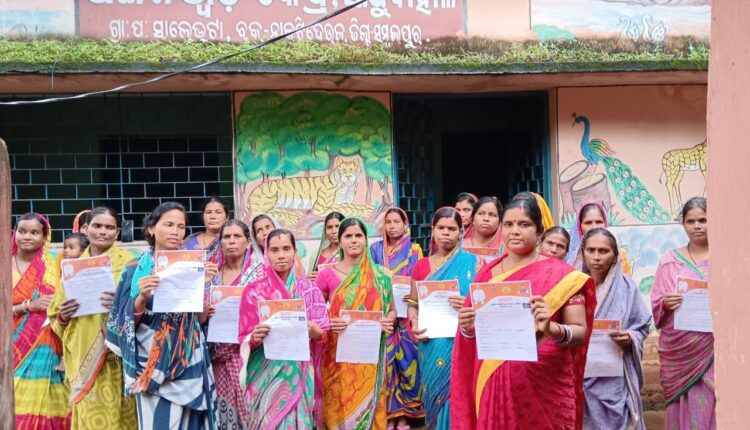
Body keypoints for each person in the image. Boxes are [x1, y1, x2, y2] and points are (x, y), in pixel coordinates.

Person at [451, 198, 596, 430]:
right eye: (508, 224)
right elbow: (472, 337)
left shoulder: (563, 276)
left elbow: (579, 331)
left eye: (524, 224)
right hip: (492, 381)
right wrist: (467, 329)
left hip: (543, 387)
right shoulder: (486, 275)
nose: (515, 231)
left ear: (539, 232)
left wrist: (551, 328)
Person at [105, 202, 217, 429]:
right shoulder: (135, 268)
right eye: (169, 224)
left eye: (181, 226)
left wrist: (203, 286)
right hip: (151, 364)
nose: (176, 231)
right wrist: (142, 297)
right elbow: (125, 322)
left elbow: (200, 319)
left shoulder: (192, 265)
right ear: (151, 229)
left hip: (189, 359)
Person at [49, 207, 138, 429]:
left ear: (117, 232)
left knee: (123, 417)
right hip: (84, 358)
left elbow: (143, 307)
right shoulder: (72, 267)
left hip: (118, 359)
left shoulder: (130, 265)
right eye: (97, 226)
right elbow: (55, 313)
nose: (103, 232)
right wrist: (63, 315)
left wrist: (122, 303)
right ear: (86, 229)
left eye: (109, 227)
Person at [238, 229, 330, 429]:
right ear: (266, 253)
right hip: (265, 374)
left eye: (286, 249)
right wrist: (255, 337)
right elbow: (244, 338)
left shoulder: (309, 289)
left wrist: (314, 331)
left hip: (299, 373)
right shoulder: (253, 292)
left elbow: (323, 334)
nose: (281, 255)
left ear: (294, 251)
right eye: (275, 250)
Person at [316, 218, 396, 429]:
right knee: (340, 401)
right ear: (339, 241)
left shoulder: (381, 275)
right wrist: (329, 322)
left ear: (366, 240)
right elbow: (314, 313)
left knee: (372, 401)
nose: (354, 240)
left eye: (358, 235)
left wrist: (389, 320)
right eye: (348, 236)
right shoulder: (326, 274)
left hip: (370, 354)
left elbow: (392, 310)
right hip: (337, 355)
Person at [408, 207, 478, 430]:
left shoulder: (473, 263)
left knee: (459, 395)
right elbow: (412, 304)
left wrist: (467, 303)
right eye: (441, 228)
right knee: (433, 396)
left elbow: (482, 302)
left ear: (461, 232)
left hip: (462, 341)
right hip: (430, 341)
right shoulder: (420, 266)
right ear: (433, 230)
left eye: (452, 229)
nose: (446, 233)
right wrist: (414, 324)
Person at [651, 197, 714, 429]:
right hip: (677, 352)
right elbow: (656, 301)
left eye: (703, 220)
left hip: (712, 350)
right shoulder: (669, 261)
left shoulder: (726, 258)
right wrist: (665, 303)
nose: (697, 226)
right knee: (680, 402)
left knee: (709, 400)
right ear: (683, 224)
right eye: (691, 221)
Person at [580, 228, 651, 430]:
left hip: (615, 379)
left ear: (615, 256)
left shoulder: (628, 288)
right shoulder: (572, 286)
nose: (596, 257)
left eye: (603, 251)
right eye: (591, 250)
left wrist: (630, 337)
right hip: (581, 376)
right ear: (582, 252)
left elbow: (642, 325)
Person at [12, 213, 71, 429]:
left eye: (35, 232)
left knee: (52, 404)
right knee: (15, 400)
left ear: (45, 237)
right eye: (22, 231)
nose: (27, 236)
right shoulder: (3, 264)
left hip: (50, 344)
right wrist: (28, 306)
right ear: (14, 233)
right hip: (12, 348)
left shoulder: (56, 265)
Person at [370, 208, 425, 429]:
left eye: (396, 222)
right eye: (388, 222)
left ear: (405, 225)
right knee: (387, 364)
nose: (392, 226)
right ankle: (390, 416)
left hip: (406, 315)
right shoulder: (375, 249)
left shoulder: (414, 250)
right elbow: (371, 276)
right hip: (385, 315)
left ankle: (406, 415)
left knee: (407, 363)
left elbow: (419, 278)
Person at [207, 219, 264, 429]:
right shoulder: (211, 275)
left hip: (249, 357)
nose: (232, 241)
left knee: (251, 413)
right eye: (226, 237)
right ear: (220, 242)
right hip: (217, 357)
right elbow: (199, 316)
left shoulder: (260, 274)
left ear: (248, 242)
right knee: (223, 414)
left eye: (237, 236)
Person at [566, 202, 633, 276]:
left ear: (605, 224)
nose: (594, 227)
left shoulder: (618, 254)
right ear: (579, 227)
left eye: (599, 222)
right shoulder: (569, 256)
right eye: (588, 223)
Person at [184, 196, 230, 262]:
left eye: (218, 212)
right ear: (203, 216)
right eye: (208, 212)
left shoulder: (230, 241)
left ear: (227, 217)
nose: (212, 217)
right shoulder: (190, 240)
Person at [463, 196, 504, 262]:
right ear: (472, 219)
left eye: (492, 215)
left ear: (499, 222)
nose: (486, 218)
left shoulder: (506, 247)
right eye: (481, 213)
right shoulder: (459, 246)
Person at [308, 211, 345, 280]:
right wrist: (309, 278)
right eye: (329, 227)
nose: (334, 231)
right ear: (325, 231)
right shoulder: (316, 255)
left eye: (338, 226)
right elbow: (311, 280)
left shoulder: (350, 253)